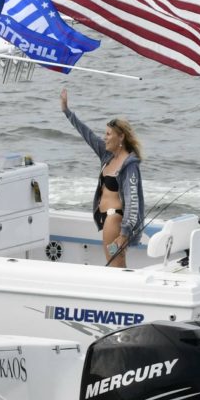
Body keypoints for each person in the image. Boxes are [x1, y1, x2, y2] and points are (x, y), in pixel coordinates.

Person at [60, 84, 145, 267]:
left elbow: (132, 202)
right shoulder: (107, 155)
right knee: (116, 264)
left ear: (121, 137)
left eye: (108, 134)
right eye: (105, 134)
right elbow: (87, 134)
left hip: (115, 220)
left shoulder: (129, 166)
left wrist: (124, 233)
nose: (104, 138)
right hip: (106, 218)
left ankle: (123, 294)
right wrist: (67, 111)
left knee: (115, 265)